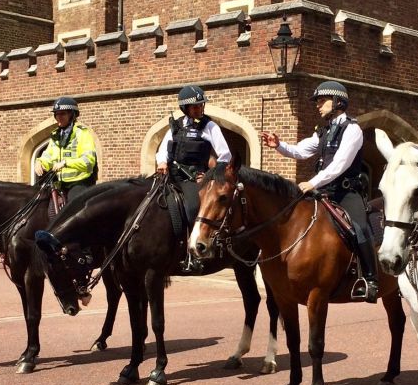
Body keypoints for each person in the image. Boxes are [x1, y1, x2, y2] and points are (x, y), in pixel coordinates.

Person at [260, 81, 379, 303]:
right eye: (317, 101)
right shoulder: (323, 131)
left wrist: (313, 182)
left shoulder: (352, 129)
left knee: (360, 227)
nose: (318, 105)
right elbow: (301, 151)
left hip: (346, 193)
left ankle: (370, 280)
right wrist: (278, 145)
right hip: (324, 191)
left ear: (338, 102)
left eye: (322, 100)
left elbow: (340, 165)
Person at [156, 85, 232, 269]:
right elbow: (162, 150)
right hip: (170, 176)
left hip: (193, 179)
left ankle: (194, 254)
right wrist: (162, 163)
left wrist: (208, 177)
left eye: (200, 105)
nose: (199, 109)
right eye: (195, 106)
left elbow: (225, 156)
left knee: (193, 206)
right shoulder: (175, 126)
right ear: (185, 108)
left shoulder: (210, 126)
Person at [33, 96, 97, 202]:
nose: (58, 117)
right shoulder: (56, 135)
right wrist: (39, 162)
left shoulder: (82, 133)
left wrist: (65, 163)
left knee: (72, 210)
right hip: (59, 184)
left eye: (62, 114)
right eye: (56, 114)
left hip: (79, 184)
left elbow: (88, 162)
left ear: (72, 115)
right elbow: (49, 156)